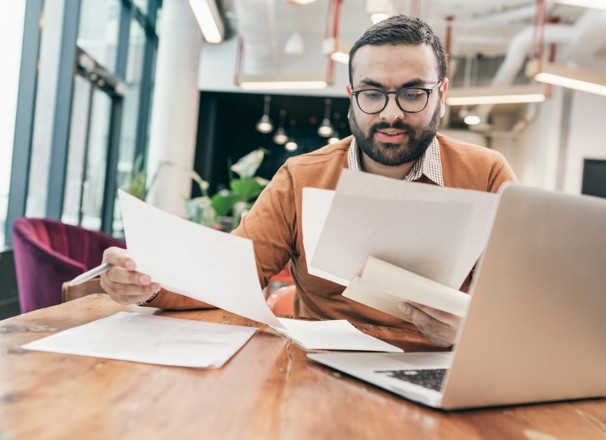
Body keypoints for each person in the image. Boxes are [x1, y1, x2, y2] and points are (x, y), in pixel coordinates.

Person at [100, 15, 516, 348]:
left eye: (412, 94)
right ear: (351, 94)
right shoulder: (302, 176)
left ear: (441, 92)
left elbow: (522, 306)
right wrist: (145, 284)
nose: (391, 113)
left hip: (438, 367)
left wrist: (473, 334)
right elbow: (229, 278)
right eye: (372, 93)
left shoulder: (487, 173)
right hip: (317, 365)